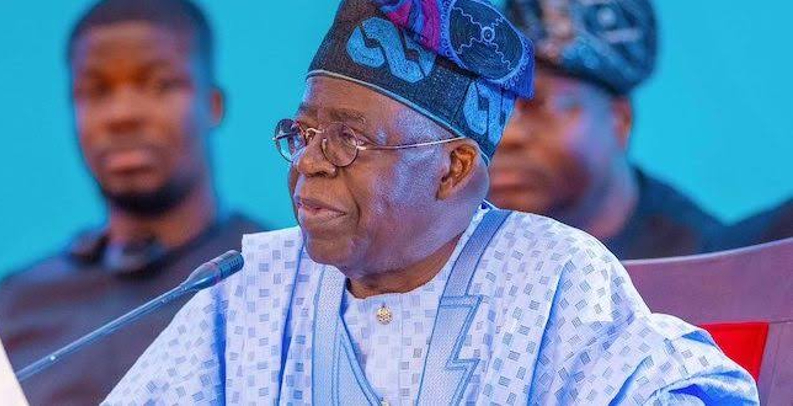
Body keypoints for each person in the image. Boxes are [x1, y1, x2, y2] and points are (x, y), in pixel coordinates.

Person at [105, 0, 757, 404]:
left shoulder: (552, 272)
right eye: (302, 134)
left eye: (349, 139)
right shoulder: (251, 286)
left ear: (453, 169)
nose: (309, 162)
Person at [0, 0, 262, 403]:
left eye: (160, 84)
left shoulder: (275, 279)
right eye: (96, 91)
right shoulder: (13, 308)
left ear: (213, 105)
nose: (121, 115)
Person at [490, 0, 724, 259]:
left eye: (538, 105)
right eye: (486, 103)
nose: (504, 135)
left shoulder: (704, 267)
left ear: (620, 120)